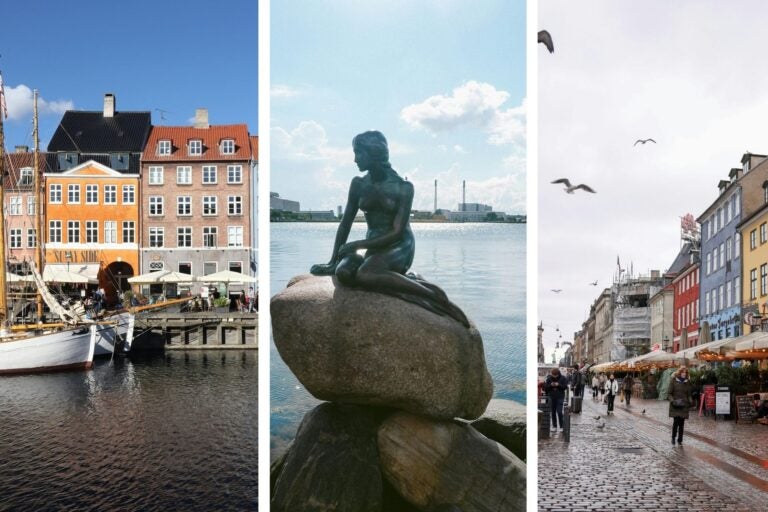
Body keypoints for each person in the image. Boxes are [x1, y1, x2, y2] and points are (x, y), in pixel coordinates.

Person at [310, 130, 468, 327]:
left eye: (359, 153)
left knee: (366, 274)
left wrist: (357, 244)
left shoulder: (403, 187)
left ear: (373, 153)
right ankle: (405, 281)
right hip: (373, 247)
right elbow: (346, 223)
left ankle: (433, 294)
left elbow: (397, 232)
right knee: (344, 273)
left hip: (399, 245)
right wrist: (333, 261)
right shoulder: (358, 184)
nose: (355, 159)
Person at [668, 366, 693, 445]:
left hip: (684, 405)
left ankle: (680, 439)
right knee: (676, 422)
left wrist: (690, 401)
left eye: (685, 372)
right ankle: (673, 437)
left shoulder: (687, 382)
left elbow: (689, 394)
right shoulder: (673, 381)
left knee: (682, 423)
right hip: (675, 404)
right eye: (682, 372)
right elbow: (669, 393)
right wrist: (672, 401)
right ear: (679, 372)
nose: (684, 374)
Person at [544, 368, 569, 432]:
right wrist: (551, 385)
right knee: (553, 412)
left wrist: (558, 385)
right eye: (553, 375)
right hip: (551, 397)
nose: (554, 376)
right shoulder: (549, 378)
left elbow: (565, 387)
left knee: (559, 412)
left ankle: (561, 426)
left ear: (558, 374)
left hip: (560, 397)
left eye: (555, 375)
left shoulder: (563, 378)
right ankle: (554, 426)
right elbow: (545, 388)